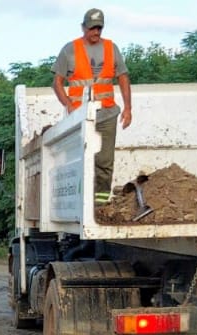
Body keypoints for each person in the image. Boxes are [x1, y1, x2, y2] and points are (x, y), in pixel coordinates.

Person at [51, 7, 133, 205]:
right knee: (80, 161)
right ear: (83, 27)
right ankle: (81, 202)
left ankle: (100, 204)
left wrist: (128, 108)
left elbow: (123, 78)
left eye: (99, 28)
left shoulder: (111, 48)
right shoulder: (69, 50)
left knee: (104, 162)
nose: (95, 32)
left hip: (107, 114)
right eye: (92, 28)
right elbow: (57, 83)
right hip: (80, 117)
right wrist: (68, 104)